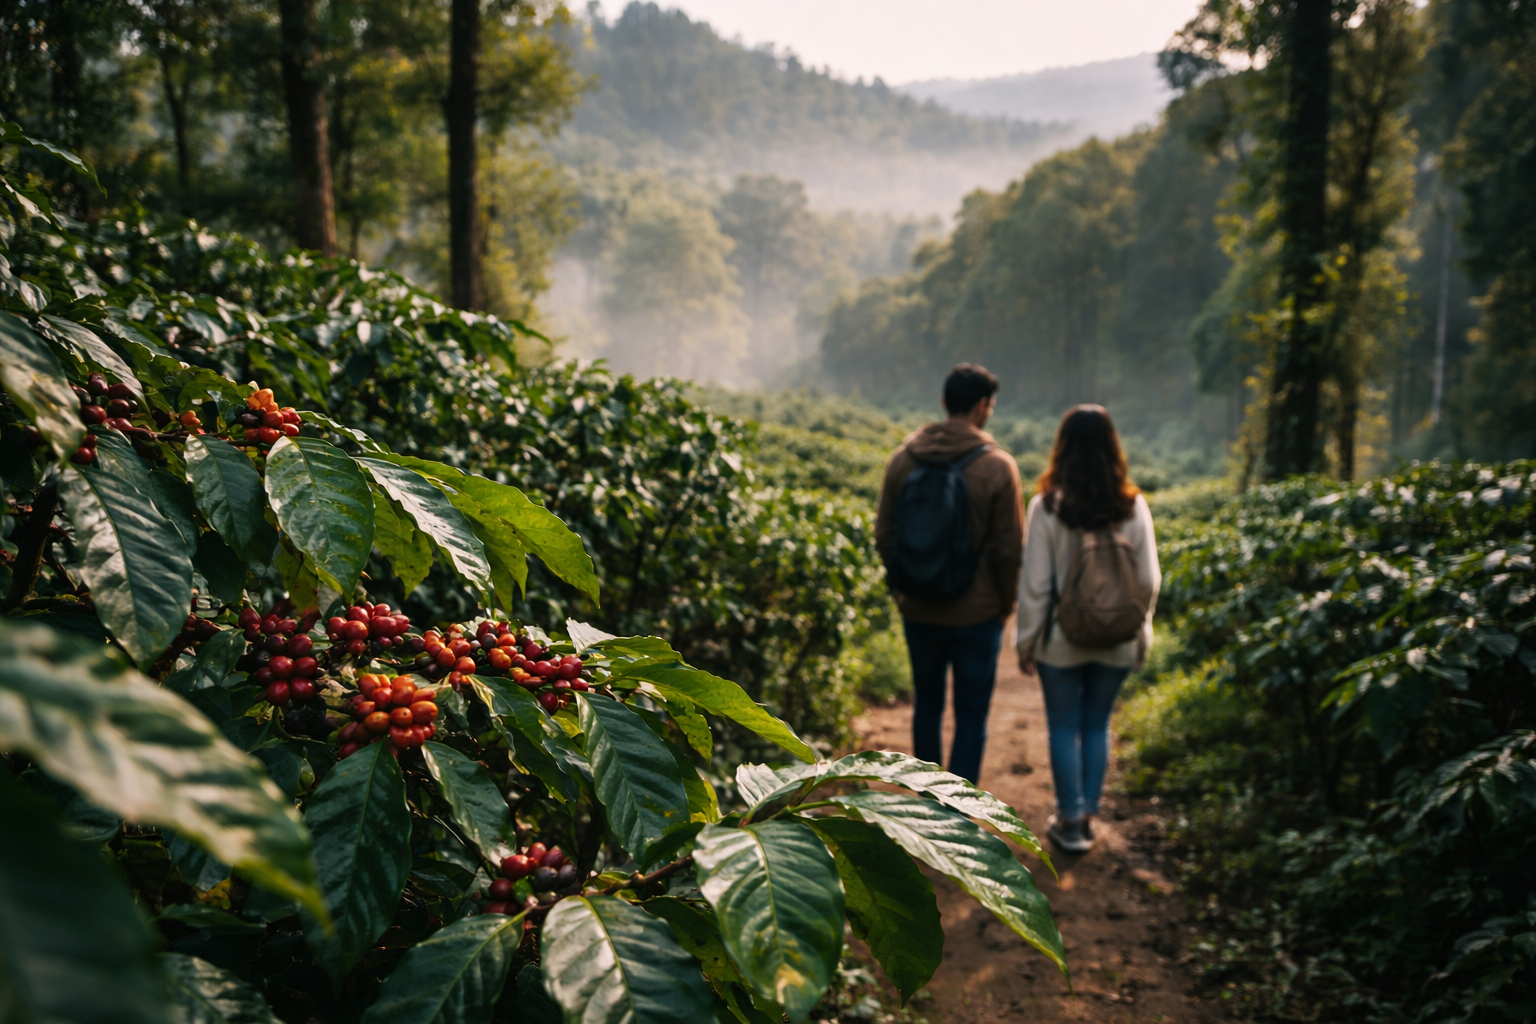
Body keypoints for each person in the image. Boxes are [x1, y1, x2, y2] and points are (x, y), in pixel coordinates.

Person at [1017, 404, 1160, 853]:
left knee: (1063, 725)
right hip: (1117, 639)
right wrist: (1140, 634)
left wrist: (1027, 641)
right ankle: (1088, 812)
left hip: (1062, 641)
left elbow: (1036, 585)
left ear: (1062, 448)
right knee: (1096, 723)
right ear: (1112, 448)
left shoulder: (1047, 506)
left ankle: (1070, 819)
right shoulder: (1133, 505)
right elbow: (1149, 581)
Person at [875, 363, 1024, 784]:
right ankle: (957, 811)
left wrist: (905, 584)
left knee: (927, 705)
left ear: (943, 403)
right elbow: (1010, 549)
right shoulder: (999, 467)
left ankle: (927, 800)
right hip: (977, 615)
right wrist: (1004, 602)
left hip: (919, 609)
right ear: (984, 406)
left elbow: (884, 534)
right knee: (971, 714)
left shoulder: (902, 460)